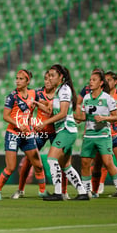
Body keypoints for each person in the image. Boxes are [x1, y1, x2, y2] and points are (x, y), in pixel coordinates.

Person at [12, 71, 70, 200]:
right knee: (29, 159)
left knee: (62, 160)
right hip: (40, 130)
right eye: (45, 79)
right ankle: (20, 189)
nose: (47, 81)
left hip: (55, 131)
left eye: (50, 78)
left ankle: (63, 192)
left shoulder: (59, 94)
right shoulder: (37, 93)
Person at [35, 64, 88, 201]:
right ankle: (82, 192)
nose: (50, 78)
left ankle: (58, 193)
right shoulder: (59, 90)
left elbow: (63, 113)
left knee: (51, 158)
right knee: (66, 165)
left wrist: (45, 123)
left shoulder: (64, 89)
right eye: (49, 75)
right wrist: (37, 103)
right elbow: (51, 111)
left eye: (53, 75)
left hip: (66, 130)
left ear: (61, 77)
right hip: (65, 130)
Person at [0, 69, 48, 201]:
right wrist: (19, 125)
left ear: (28, 80)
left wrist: (39, 104)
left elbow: (46, 107)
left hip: (27, 135)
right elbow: (5, 116)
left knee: (38, 165)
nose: (17, 81)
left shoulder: (34, 94)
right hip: (13, 134)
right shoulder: (12, 96)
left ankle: (42, 191)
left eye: (21, 79)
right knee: (11, 167)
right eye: (16, 78)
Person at [75, 70, 117, 199]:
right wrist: (76, 118)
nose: (90, 82)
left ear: (101, 83)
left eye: (94, 80)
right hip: (89, 136)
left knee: (108, 163)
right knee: (85, 163)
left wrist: (103, 118)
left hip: (103, 135)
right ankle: (86, 191)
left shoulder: (107, 98)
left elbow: (116, 117)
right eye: (90, 80)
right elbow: (83, 116)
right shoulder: (86, 98)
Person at [93, 71, 117, 198]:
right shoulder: (100, 96)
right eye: (105, 80)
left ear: (115, 82)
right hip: (102, 134)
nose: (107, 82)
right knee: (100, 163)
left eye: (109, 80)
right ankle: (96, 190)